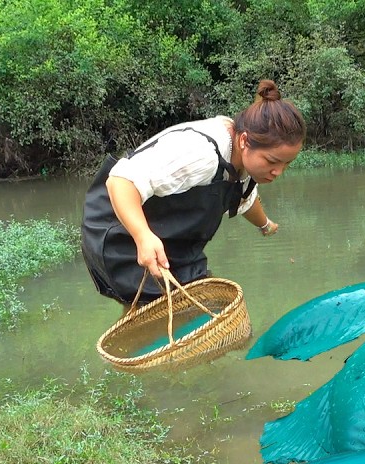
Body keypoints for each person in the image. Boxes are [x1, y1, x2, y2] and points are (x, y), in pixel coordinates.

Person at [81, 79, 306, 305]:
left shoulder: (243, 159)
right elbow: (121, 181)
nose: (278, 172)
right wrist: (142, 236)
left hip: (171, 239)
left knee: (197, 305)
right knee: (176, 311)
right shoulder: (201, 153)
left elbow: (244, 198)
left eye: (287, 164)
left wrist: (265, 224)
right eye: (272, 161)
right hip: (121, 233)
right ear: (245, 140)